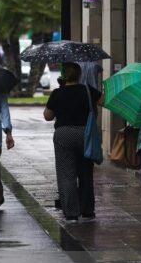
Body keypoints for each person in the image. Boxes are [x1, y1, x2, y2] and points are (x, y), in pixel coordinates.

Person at [44, 62, 103, 224]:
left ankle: (71, 213)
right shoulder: (87, 90)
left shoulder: (57, 93)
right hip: (85, 134)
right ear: (79, 75)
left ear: (63, 76)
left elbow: (47, 116)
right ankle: (87, 211)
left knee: (66, 174)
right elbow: (104, 101)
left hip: (64, 135)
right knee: (86, 173)